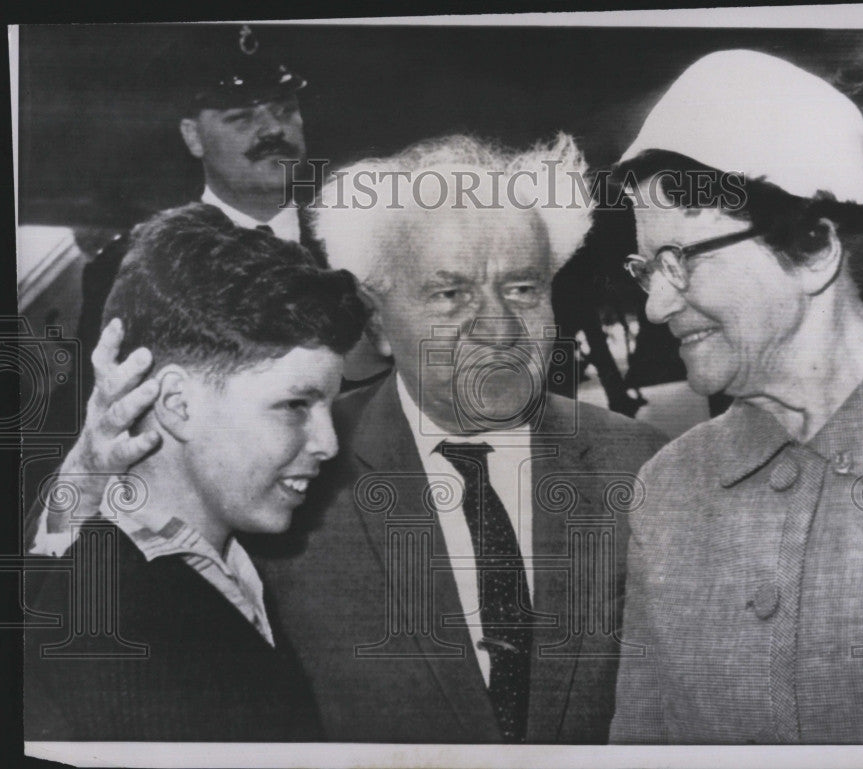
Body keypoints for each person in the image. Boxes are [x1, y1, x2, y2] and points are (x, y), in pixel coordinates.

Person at [250, 134, 668, 743]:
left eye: (523, 289)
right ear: (377, 322)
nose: (499, 329)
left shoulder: (643, 467)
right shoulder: (295, 474)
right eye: (451, 295)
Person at [608, 50, 863, 744]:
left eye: (682, 259)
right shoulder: (668, 488)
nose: (654, 305)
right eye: (647, 265)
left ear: (814, 247)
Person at [24, 203, 367, 741]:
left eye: (330, 404)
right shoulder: (107, 636)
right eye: (296, 405)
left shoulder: (236, 554)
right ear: (179, 404)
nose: (328, 442)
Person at [75, 24, 391, 394]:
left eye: (285, 109)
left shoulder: (368, 237)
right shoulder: (132, 267)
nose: (272, 129)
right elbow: (90, 409)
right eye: (242, 117)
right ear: (193, 137)